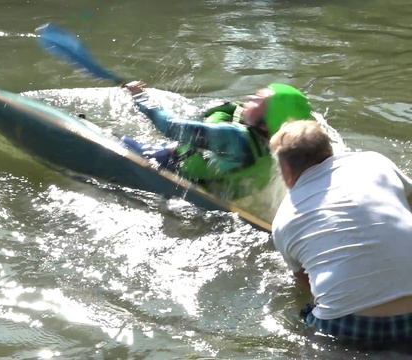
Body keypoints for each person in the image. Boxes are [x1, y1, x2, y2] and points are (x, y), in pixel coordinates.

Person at [270, 120, 412, 346]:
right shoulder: (374, 162)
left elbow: (306, 283)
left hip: (351, 325)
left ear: (286, 170)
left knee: (298, 321)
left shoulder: (284, 219)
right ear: (330, 150)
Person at [121, 81, 312, 198]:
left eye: (257, 101)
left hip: (169, 170)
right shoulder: (279, 148)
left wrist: (140, 97)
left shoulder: (233, 138)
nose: (249, 98)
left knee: (120, 142)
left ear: (266, 122)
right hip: (214, 190)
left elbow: (170, 127)